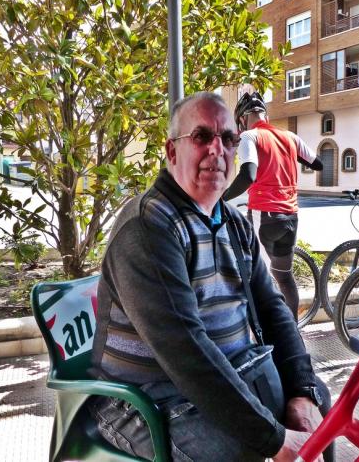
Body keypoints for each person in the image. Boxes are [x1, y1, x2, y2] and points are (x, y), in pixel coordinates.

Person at [89, 92, 332, 462]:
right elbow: (185, 350)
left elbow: (273, 308)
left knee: (318, 407)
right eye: (202, 136)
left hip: (227, 374)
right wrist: (274, 438)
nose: (218, 150)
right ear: (172, 151)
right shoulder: (148, 228)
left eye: (229, 139)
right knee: (243, 449)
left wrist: (302, 390)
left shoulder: (233, 222)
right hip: (144, 399)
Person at [223, 91, 322, 321]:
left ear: (242, 119)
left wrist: (220, 198)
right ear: (265, 115)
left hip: (264, 215)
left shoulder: (249, 136)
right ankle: (292, 332)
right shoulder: (290, 137)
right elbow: (317, 164)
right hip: (290, 216)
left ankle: (261, 333)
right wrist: (286, 153)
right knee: (284, 277)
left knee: (257, 278)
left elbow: (248, 175)